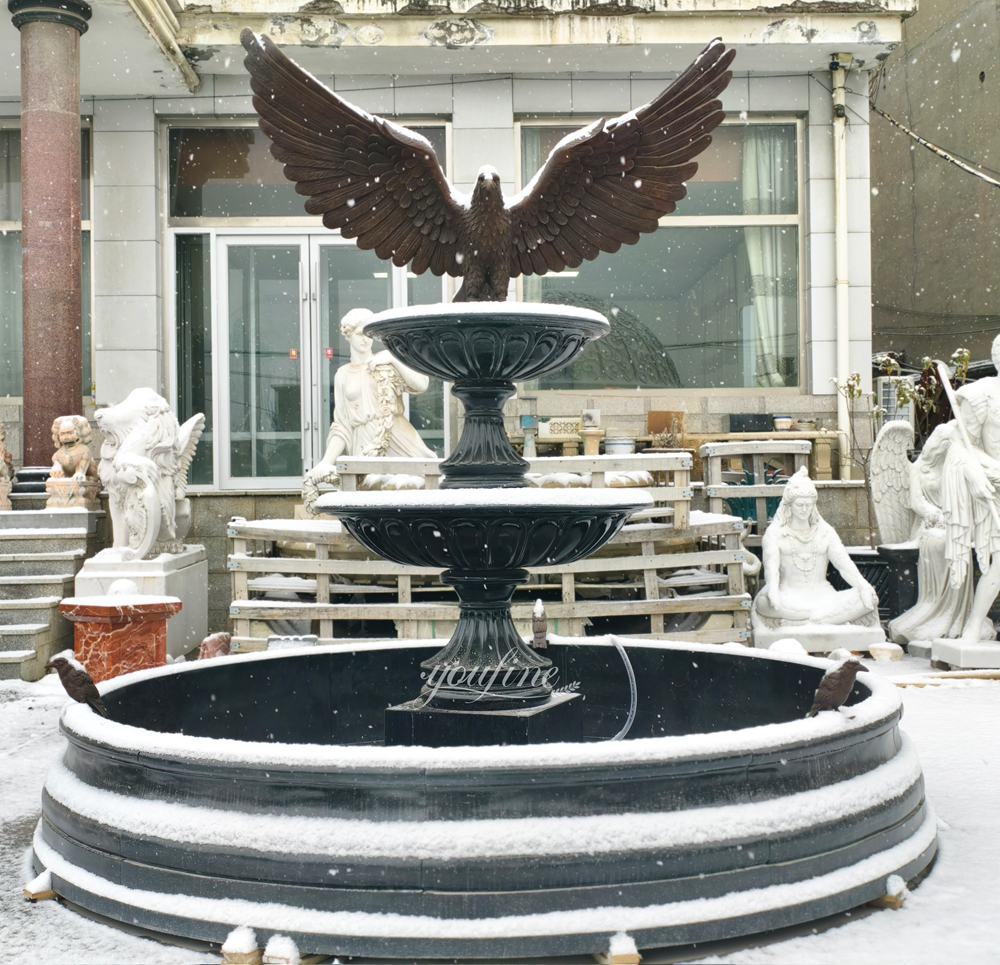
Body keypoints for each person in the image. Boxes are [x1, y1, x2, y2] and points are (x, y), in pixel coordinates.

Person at [303, 308, 436, 510]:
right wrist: (326, 462)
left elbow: (421, 384)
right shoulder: (342, 375)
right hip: (364, 442)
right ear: (348, 335)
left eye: (369, 335)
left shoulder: (384, 363)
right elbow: (342, 425)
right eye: (360, 334)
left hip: (396, 435)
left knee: (412, 488)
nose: (366, 340)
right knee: (371, 496)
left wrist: (393, 358)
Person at [752, 468, 881, 631]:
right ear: (789, 506)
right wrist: (772, 590)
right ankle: (825, 620)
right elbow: (771, 569)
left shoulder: (825, 532)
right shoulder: (775, 533)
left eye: (808, 505)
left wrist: (863, 585)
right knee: (764, 603)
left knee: (869, 597)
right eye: (799, 505)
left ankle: (804, 621)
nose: (804, 509)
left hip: (825, 597)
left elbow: (844, 566)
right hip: (789, 597)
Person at [942, 332, 1000, 642]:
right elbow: (962, 444)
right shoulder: (982, 395)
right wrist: (980, 473)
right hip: (996, 485)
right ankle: (974, 625)